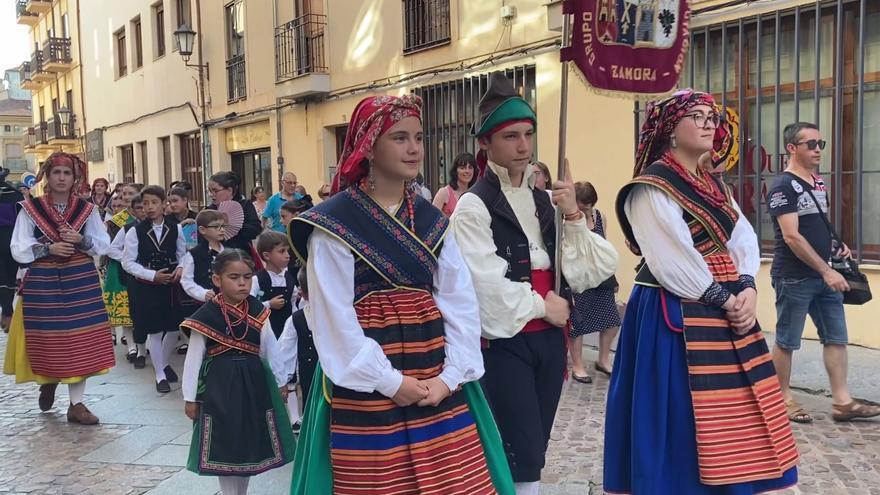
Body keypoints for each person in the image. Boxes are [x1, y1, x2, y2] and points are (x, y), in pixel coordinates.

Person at [289, 94, 513, 495]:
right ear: (368, 146)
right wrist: (391, 383)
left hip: (436, 378)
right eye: (399, 138)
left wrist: (449, 378)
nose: (414, 148)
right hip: (368, 386)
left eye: (419, 137)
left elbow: (460, 302)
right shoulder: (333, 225)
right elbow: (333, 320)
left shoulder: (433, 220)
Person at [605, 89, 799, 494]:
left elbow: (742, 236)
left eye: (712, 116)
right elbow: (671, 260)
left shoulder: (712, 184)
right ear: (671, 131)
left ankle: (735, 479)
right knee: (682, 413)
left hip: (726, 309)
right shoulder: (652, 186)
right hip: (672, 313)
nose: (710, 123)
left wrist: (747, 287)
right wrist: (727, 300)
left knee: (736, 410)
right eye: (697, 116)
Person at [451, 72, 618, 495]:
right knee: (519, 446)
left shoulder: (545, 200)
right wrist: (545, 306)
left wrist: (574, 216)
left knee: (537, 444)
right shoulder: (473, 206)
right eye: (510, 136)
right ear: (486, 143)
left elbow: (586, 272)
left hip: (549, 341)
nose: (523, 146)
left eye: (528, 134)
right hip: (507, 341)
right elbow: (484, 287)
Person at [768, 122, 880, 423]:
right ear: (792, 148)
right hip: (795, 276)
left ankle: (842, 402)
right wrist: (825, 270)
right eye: (811, 144)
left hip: (825, 274)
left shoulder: (818, 183)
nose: (818, 149)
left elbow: (816, 224)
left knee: (836, 337)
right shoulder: (782, 186)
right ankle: (782, 399)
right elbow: (791, 236)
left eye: (821, 144)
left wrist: (836, 244)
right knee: (787, 340)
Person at [6, 152, 114, 425]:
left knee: (82, 337)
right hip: (43, 280)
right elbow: (18, 247)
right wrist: (47, 248)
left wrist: (81, 239)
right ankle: (50, 380)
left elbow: (104, 245)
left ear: (75, 177)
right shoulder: (31, 209)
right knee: (50, 336)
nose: (62, 178)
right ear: (47, 177)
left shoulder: (87, 209)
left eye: (67, 173)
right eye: (57, 173)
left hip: (80, 278)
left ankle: (77, 404)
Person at [181, 249, 295, 495]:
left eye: (247, 276)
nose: (242, 283)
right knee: (225, 442)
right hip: (218, 386)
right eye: (234, 277)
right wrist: (189, 397)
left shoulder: (257, 310)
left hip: (253, 383)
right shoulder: (206, 316)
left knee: (247, 442)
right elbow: (193, 359)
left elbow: (270, 347)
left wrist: (281, 381)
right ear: (216, 280)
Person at [122, 186, 187, 392]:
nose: (149, 207)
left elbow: (183, 252)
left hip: (170, 285)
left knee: (174, 329)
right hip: (147, 287)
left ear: (163, 204)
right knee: (155, 331)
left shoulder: (175, 227)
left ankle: (165, 362)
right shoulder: (135, 231)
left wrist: (181, 268)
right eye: (145, 204)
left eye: (154, 203)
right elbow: (128, 262)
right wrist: (151, 275)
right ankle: (160, 375)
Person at [567, 181, 621, 382]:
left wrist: (612, 276)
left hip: (600, 277)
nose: (586, 210)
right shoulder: (568, 218)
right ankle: (578, 365)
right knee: (578, 324)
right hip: (579, 278)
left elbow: (603, 248)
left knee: (612, 321)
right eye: (582, 205)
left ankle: (603, 359)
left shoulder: (599, 217)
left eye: (588, 205)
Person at [105, 194, 146, 362]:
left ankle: (143, 347)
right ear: (132, 210)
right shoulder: (128, 227)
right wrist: (128, 258)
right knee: (127, 313)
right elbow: (111, 249)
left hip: (149, 275)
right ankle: (131, 347)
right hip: (126, 275)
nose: (144, 211)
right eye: (139, 208)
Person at [277, 266, 318, 433]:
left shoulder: (346, 317)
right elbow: (284, 351)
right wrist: (283, 381)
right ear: (305, 293)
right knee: (313, 418)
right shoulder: (297, 319)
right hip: (311, 379)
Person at [251, 231, 294, 338]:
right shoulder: (257, 279)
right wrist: (269, 304)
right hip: (264, 330)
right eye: (281, 251)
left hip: (286, 331)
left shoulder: (290, 278)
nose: (287, 255)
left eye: (287, 251)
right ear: (266, 256)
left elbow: (294, 305)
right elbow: (249, 304)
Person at [180, 210, 226, 308]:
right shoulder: (194, 254)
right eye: (216, 227)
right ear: (202, 230)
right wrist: (203, 293)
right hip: (203, 306)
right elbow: (186, 280)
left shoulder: (230, 252)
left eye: (223, 226)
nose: (222, 230)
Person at [207, 172, 262, 252]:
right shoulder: (209, 210)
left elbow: (255, 229)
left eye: (215, 191)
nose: (211, 194)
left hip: (241, 254)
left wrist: (235, 226)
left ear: (229, 190)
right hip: (216, 255)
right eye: (210, 191)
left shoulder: (245, 205)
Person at [0, 168, 23, 332]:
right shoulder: (15, 194)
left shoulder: (15, 195)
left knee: (4, 279)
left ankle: (7, 311)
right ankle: (7, 312)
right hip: (11, 240)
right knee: (6, 278)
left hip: (10, 240)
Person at [432, 152, 477, 216]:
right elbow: (432, 217)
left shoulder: (476, 194)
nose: (467, 171)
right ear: (455, 171)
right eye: (462, 168)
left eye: (470, 167)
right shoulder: (444, 192)